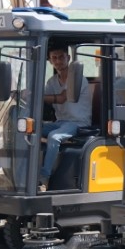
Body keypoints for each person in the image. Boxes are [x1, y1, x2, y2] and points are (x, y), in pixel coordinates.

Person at [39, 44, 92, 188]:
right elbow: (45, 98)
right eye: (54, 58)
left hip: (78, 122)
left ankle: (44, 177)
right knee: (31, 129)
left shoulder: (78, 79)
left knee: (54, 137)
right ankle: (27, 171)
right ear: (50, 61)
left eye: (61, 57)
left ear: (68, 58)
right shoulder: (52, 81)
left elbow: (62, 98)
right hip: (61, 122)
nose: (58, 61)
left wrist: (36, 96)